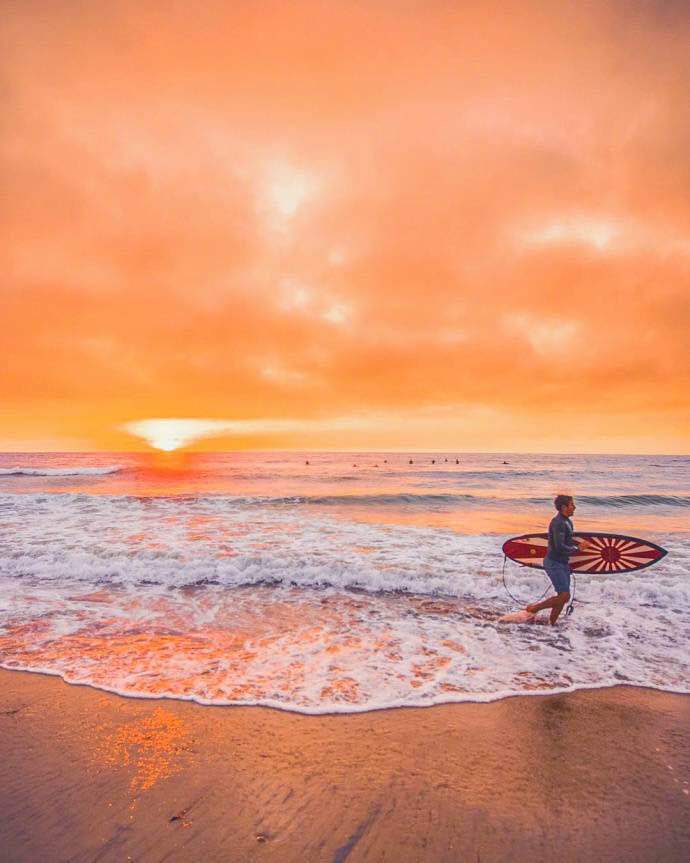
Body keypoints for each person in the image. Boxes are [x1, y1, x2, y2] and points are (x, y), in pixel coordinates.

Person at [526, 494, 584, 625]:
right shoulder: (558, 523)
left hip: (562, 563)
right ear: (564, 507)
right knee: (564, 596)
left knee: (562, 597)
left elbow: (567, 541)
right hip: (554, 562)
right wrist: (578, 548)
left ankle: (551, 624)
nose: (574, 507)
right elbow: (559, 547)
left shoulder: (567, 521)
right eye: (572, 505)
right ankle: (534, 608)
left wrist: (577, 546)